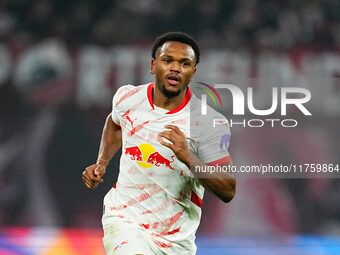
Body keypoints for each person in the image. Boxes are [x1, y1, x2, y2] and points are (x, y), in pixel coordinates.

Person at [82, 32, 235, 255]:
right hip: (125, 220)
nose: (175, 68)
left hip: (176, 241)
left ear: (193, 72)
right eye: (168, 60)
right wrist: (102, 162)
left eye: (184, 63)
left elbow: (228, 189)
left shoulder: (208, 123)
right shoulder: (128, 98)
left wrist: (189, 157)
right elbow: (115, 123)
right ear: (154, 65)